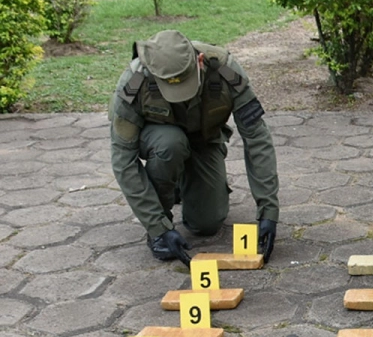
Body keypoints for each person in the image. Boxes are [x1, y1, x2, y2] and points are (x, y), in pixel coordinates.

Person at [108, 30, 279, 266]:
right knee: (171, 144)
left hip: (204, 141)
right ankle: (161, 217)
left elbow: (257, 138)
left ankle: (182, 184)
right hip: (162, 143)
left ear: (199, 61)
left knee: (206, 224)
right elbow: (123, 160)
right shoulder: (134, 81)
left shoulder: (225, 69)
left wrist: (268, 211)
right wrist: (158, 227)